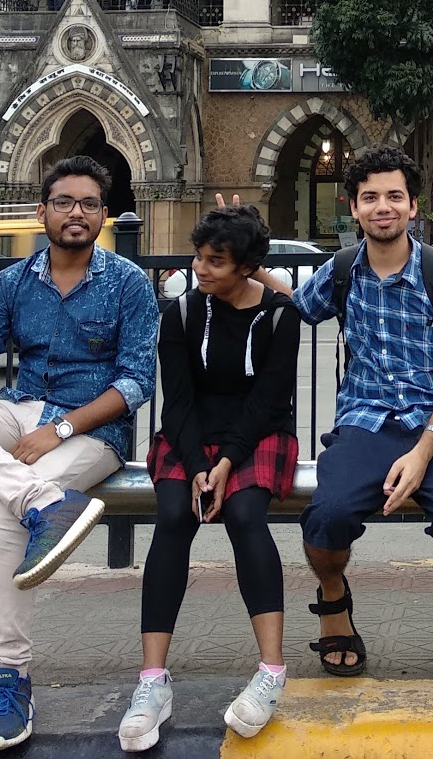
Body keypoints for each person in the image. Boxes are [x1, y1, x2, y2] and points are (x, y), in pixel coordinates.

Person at [0, 156, 156, 753]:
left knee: (4, 509)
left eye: (89, 204)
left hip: (92, 434)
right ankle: (43, 500)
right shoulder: (12, 283)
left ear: (104, 216)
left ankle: (8, 676)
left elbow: (135, 383)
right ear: (41, 211)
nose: (77, 213)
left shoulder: (128, 283)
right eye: (65, 202)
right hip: (20, 410)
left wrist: (63, 429)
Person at [290, 145, 433, 680]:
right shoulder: (340, 272)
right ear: (353, 207)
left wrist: (423, 452)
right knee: (326, 516)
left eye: (394, 196)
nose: (383, 206)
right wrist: (239, 250)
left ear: (412, 206)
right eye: (371, 197)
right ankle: (333, 595)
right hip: (364, 421)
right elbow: (291, 308)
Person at [118, 204, 302, 749]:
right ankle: (152, 680)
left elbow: (271, 398)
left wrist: (226, 464)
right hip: (193, 433)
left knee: (246, 514)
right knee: (174, 514)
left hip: (256, 430)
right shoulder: (179, 314)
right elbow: (177, 400)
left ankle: (271, 671)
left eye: (216, 261)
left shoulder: (277, 316)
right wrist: (199, 466)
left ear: (246, 266)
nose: (201, 269)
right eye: (199, 258)